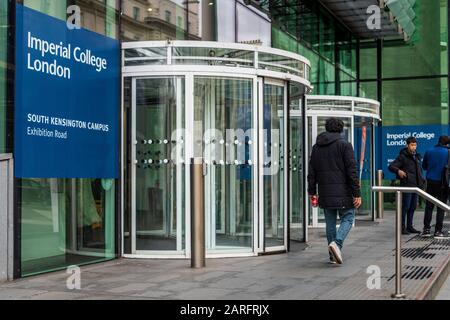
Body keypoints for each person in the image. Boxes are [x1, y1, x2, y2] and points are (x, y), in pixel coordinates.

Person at [308, 118, 362, 265]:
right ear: (340, 129)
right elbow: (352, 171)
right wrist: (357, 193)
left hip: (325, 192)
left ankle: (332, 256)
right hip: (343, 191)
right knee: (348, 218)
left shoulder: (316, 147)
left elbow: (311, 172)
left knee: (330, 223)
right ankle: (337, 244)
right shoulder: (345, 145)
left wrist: (312, 191)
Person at [388, 136, 425, 235]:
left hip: (416, 186)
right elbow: (391, 166)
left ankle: (410, 226)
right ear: (407, 145)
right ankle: (402, 227)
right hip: (407, 185)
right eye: (412, 145)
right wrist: (399, 170)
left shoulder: (417, 156)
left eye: (415, 145)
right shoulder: (402, 156)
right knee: (406, 207)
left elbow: (419, 170)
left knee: (413, 207)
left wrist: (422, 181)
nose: (414, 147)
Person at [422, 135, 450, 239]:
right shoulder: (448, 152)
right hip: (443, 183)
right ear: (447, 144)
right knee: (441, 207)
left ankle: (426, 229)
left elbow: (424, 166)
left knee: (429, 206)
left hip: (431, 182)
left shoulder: (429, 151)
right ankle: (438, 230)